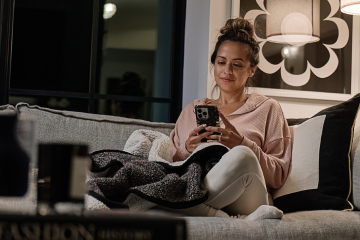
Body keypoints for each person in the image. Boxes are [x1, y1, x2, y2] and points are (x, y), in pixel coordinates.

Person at [169, 17, 291, 218]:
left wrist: (242, 143)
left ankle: (182, 206)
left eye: (237, 64)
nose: (227, 70)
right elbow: (170, 165)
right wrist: (186, 150)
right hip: (201, 187)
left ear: (252, 70)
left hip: (248, 196)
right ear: (214, 65)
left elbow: (278, 176)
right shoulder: (191, 111)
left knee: (242, 155)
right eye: (221, 62)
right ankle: (217, 215)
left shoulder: (268, 109)